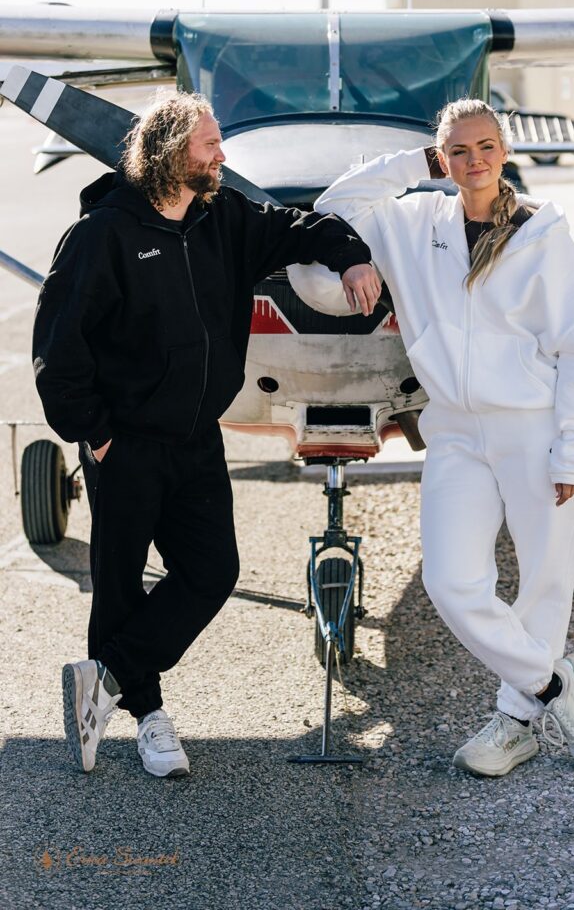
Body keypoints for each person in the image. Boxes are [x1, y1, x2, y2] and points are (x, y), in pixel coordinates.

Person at [33, 92, 381, 777]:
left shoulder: (221, 219)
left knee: (212, 571)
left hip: (196, 441)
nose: (222, 156)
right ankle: (149, 717)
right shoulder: (102, 235)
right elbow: (58, 349)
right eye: (209, 145)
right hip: (125, 445)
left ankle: (104, 677)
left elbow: (296, 225)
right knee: (119, 582)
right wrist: (97, 436)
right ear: (167, 155)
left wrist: (352, 255)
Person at [296, 98, 574, 777]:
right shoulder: (411, 223)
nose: (474, 161)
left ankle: (514, 724)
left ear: (505, 151)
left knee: (542, 584)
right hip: (454, 432)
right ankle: (556, 686)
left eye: (486, 146)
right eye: (458, 150)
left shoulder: (542, 237)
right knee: (450, 580)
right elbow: (333, 208)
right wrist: (412, 162)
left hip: (533, 427)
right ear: (442, 158)